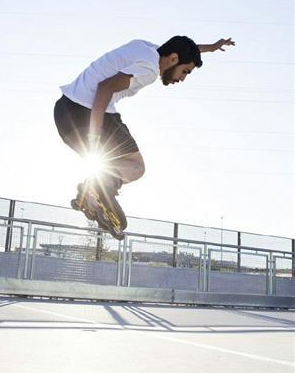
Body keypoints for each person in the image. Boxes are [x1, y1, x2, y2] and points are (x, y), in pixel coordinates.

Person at [54, 35, 235, 231]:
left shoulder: (146, 48)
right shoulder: (149, 69)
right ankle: (96, 189)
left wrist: (212, 47)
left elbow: (186, 48)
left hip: (66, 112)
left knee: (121, 163)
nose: (182, 78)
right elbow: (105, 87)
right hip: (86, 113)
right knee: (135, 167)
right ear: (173, 59)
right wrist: (94, 136)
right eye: (185, 72)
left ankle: (92, 193)